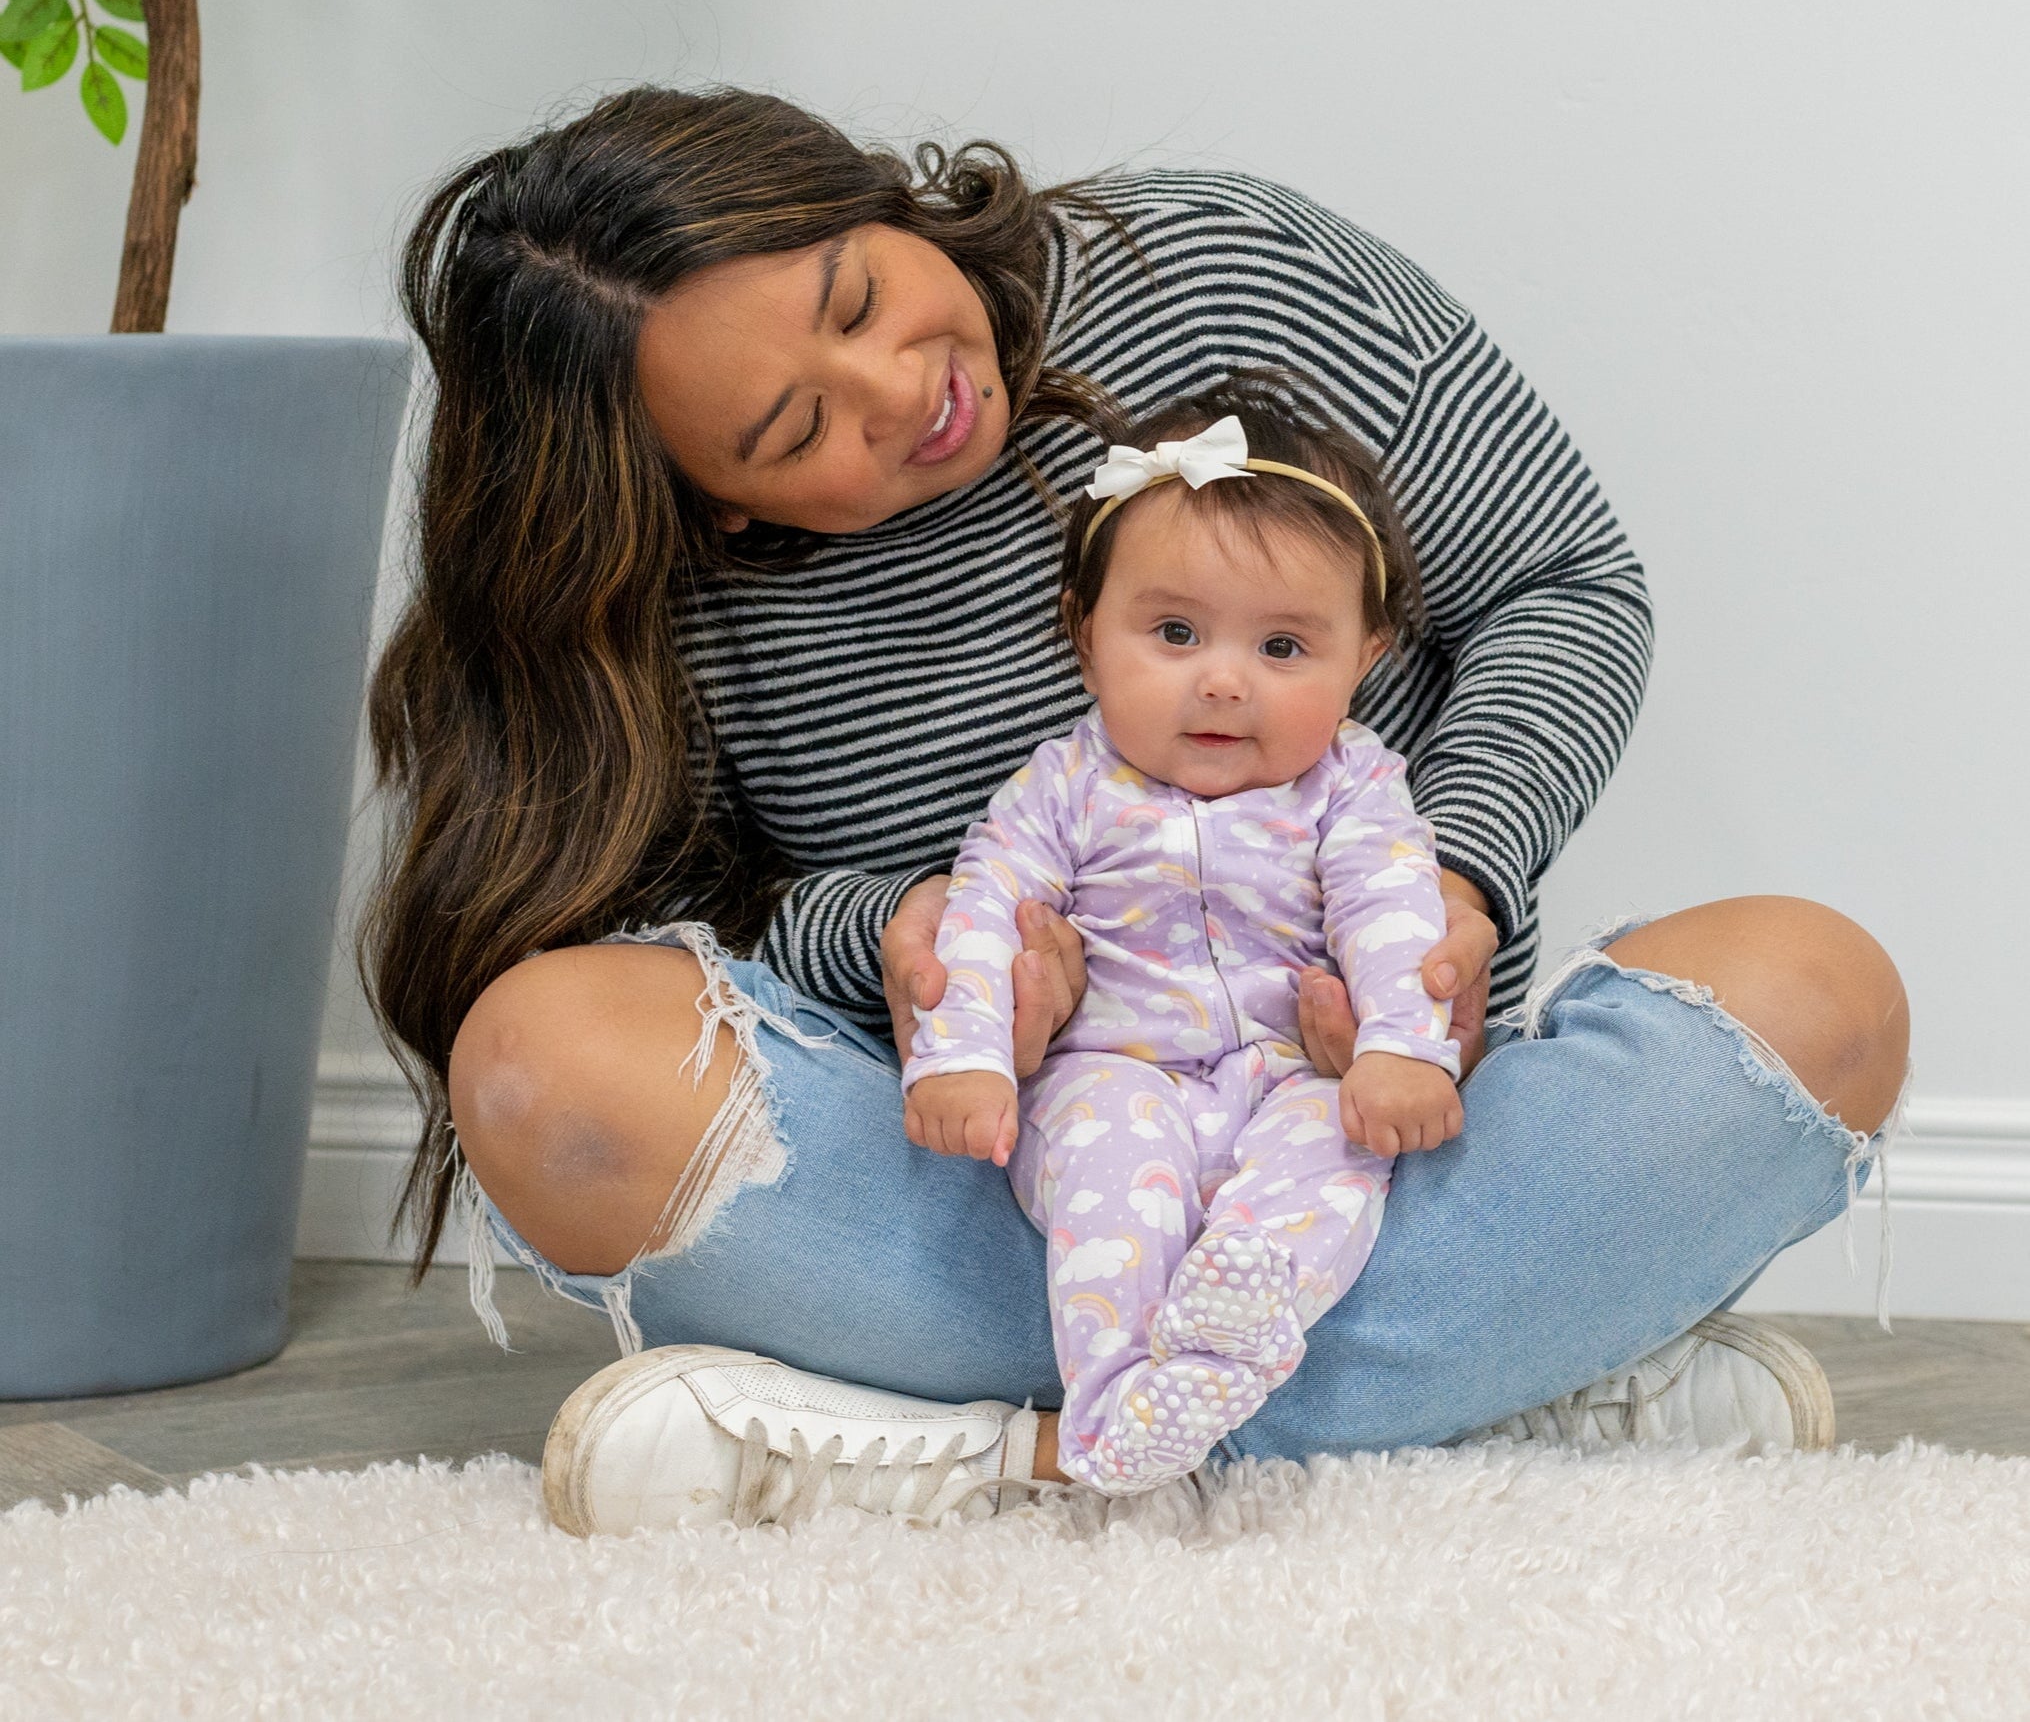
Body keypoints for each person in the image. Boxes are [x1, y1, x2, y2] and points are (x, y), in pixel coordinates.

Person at [365, 85, 1909, 1536]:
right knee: (540, 1067)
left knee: (1817, 998)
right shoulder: (669, 602)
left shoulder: (1216, 270)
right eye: (794, 433)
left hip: (1379, 1120)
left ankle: (988, 1446)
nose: (908, 390)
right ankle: (1504, 1378)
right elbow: (693, 904)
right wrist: (894, 938)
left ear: (874, 195)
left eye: (860, 295)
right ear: (712, 500)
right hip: (1002, 1171)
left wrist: (1449, 888)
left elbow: (1560, 585)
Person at [905, 387, 1459, 1492]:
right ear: (1083, 636)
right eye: (1172, 632)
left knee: (1338, 1155)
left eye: (1284, 645)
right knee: (1110, 1178)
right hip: (1114, 1065)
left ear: (1366, 658)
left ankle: (1220, 1344)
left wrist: (1402, 1045)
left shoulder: (1352, 789)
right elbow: (983, 909)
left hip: (1289, 1068)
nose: (1220, 677)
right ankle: (1113, 1406)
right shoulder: (1062, 785)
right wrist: (962, 1053)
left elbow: (1393, 913)